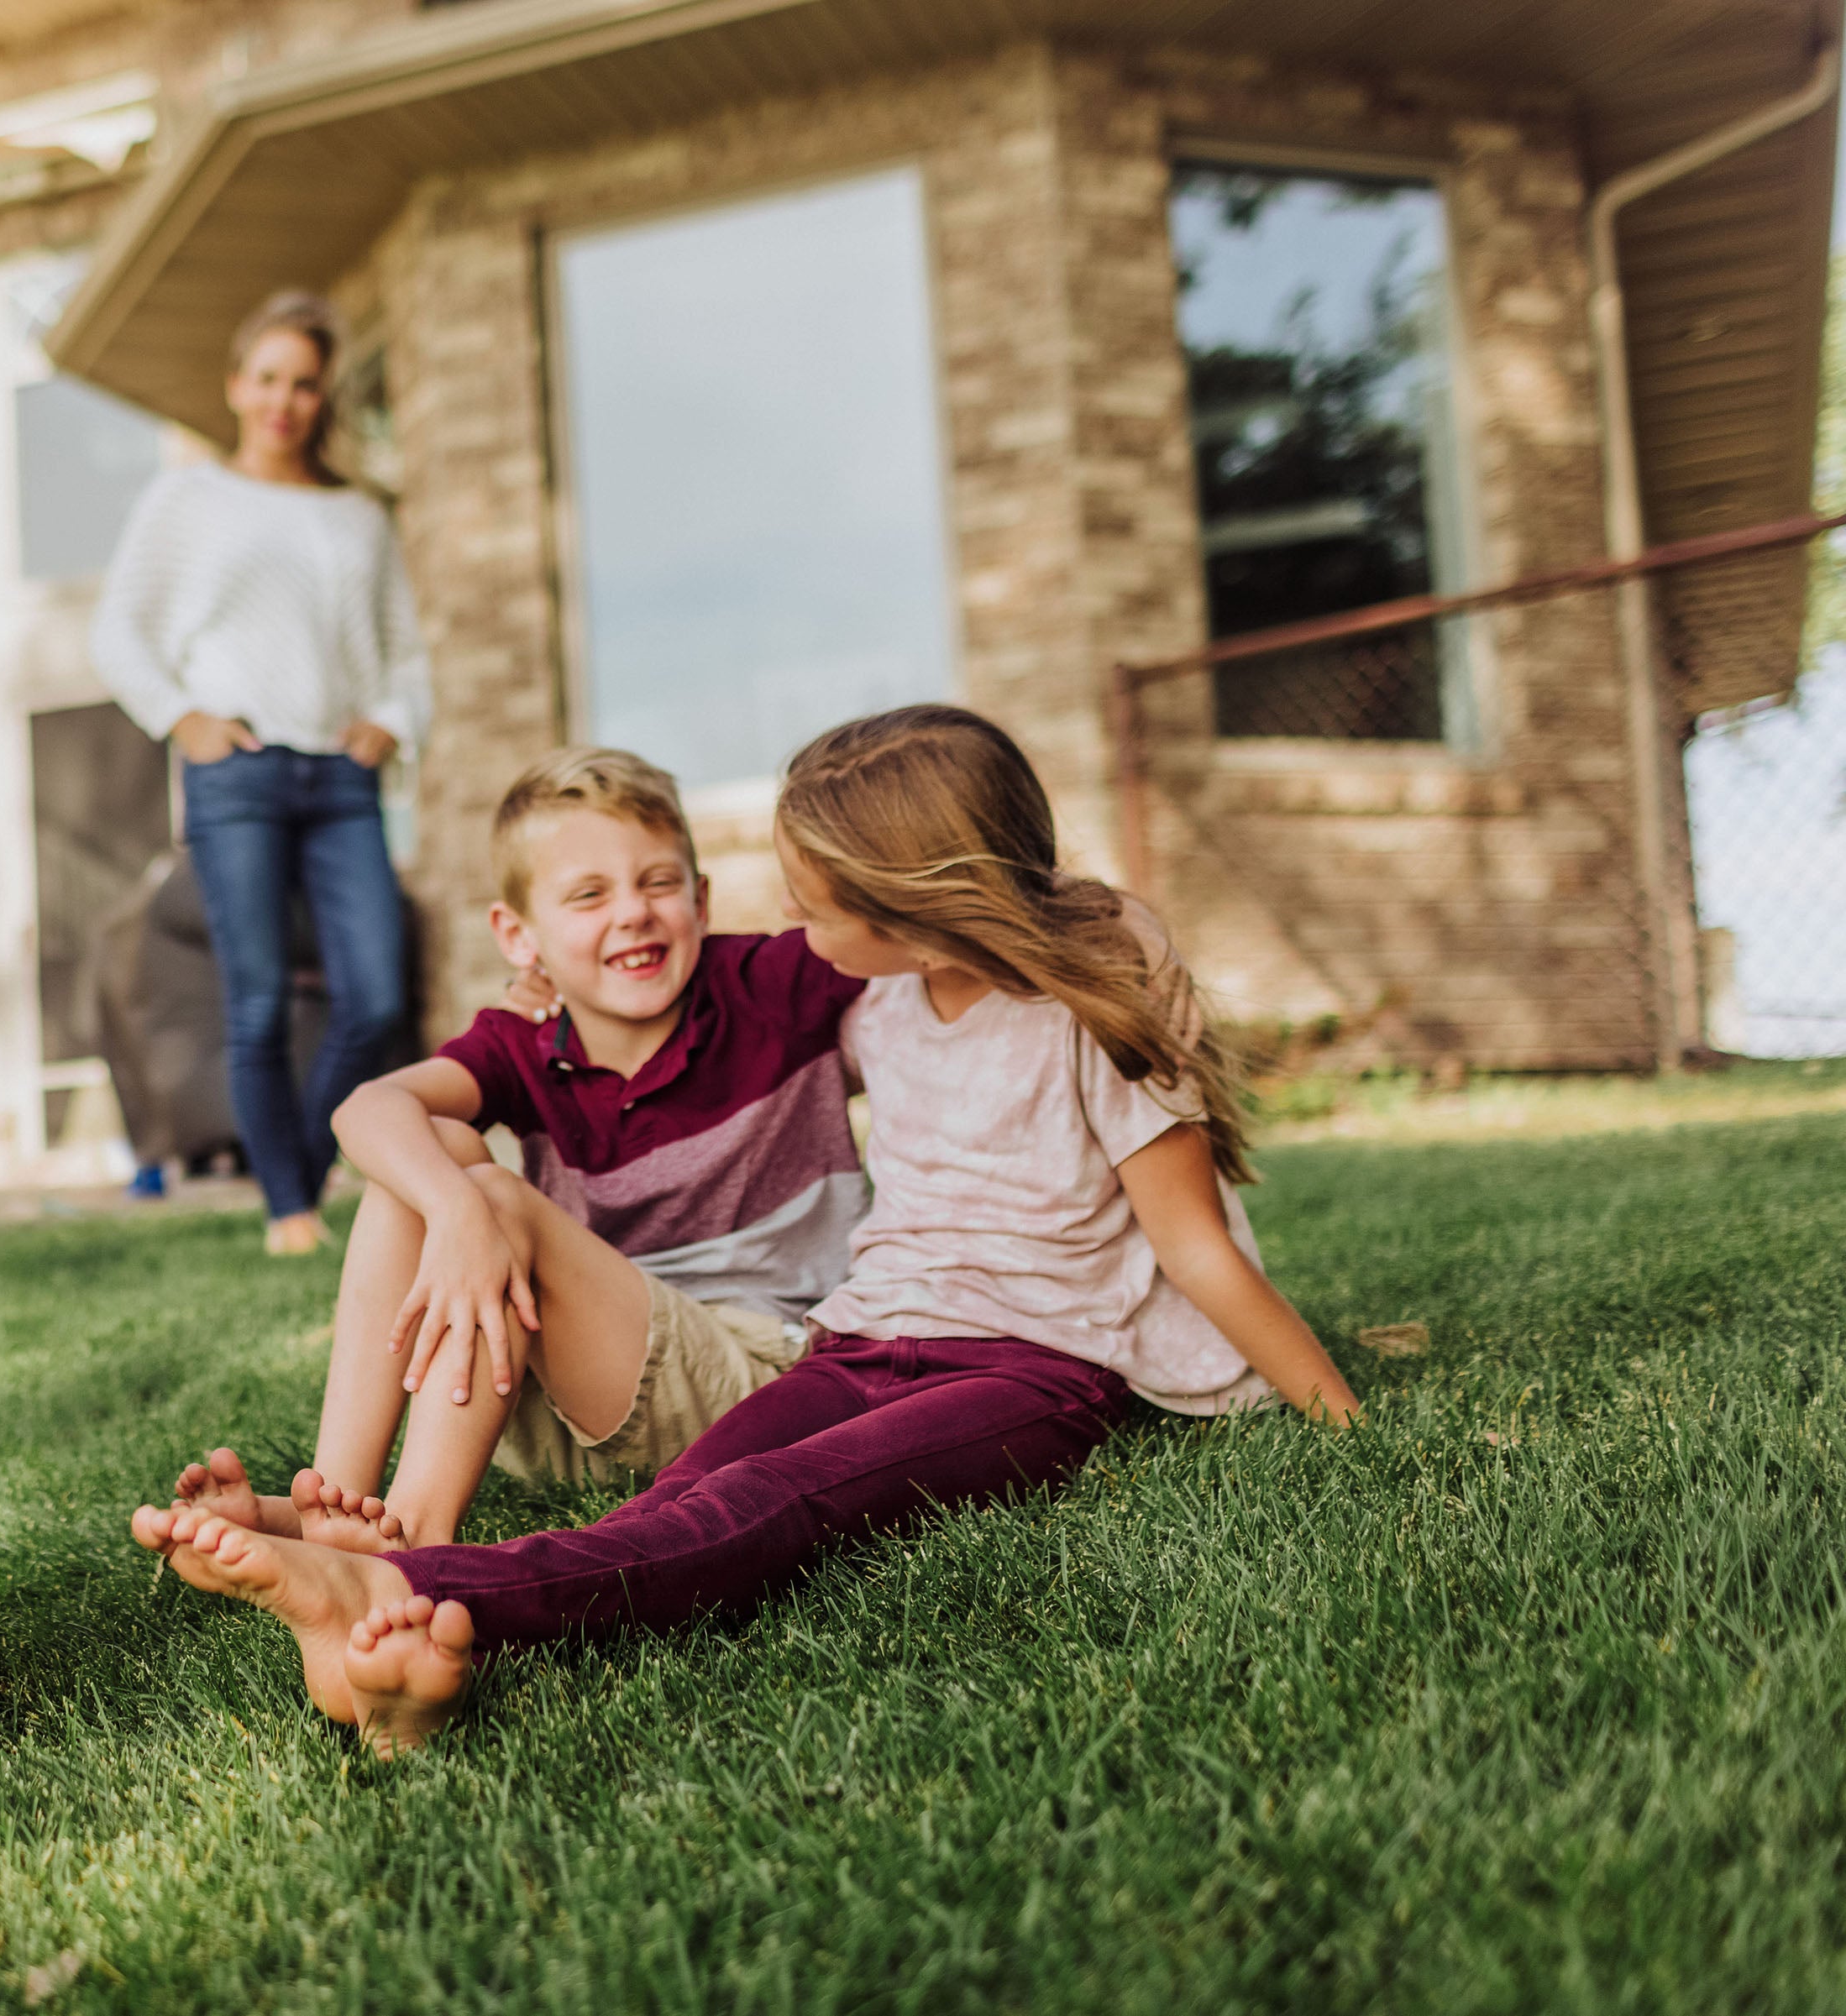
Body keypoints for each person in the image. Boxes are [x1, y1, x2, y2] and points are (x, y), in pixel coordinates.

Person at [131, 704, 1363, 1756]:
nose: (786, 920)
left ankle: (396, 1588)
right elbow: (390, 1106)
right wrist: (498, 1113)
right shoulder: (881, 995)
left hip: (1026, 1362)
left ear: (906, 908)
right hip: (858, 1335)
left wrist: (1343, 1418)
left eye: (815, 902)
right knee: (676, 1496)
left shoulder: (978, 998)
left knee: (766, 1502)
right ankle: (382, 1609)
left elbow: (1193, 1238)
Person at [165, 746, 869, 1553]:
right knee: (432, 1150)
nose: (633, 912)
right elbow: (367, 1108)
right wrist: (454, 1203)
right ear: (518, 935)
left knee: (493, 1197)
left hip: (756, 1380)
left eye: (659, 883)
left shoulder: (772, 982)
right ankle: (339, 1498)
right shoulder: (528, 1040)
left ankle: (414, 1542)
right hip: (568, 1394)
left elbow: (911, 945)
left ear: (702, 900)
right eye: (588, 895)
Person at [91, 290, 432, 1256]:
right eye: (270, 379)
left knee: (372, 997)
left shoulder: (359, 515)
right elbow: (119, 631)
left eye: (306, 384)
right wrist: (183, 719)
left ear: (325, 398)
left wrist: (393, 722)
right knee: (258, 998)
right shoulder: (186, 500)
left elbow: (404, 650)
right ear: (238, 386)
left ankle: (302, 1171)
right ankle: (288, 1211)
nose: (286, 400)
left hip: (339, 779)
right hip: (237, 772)